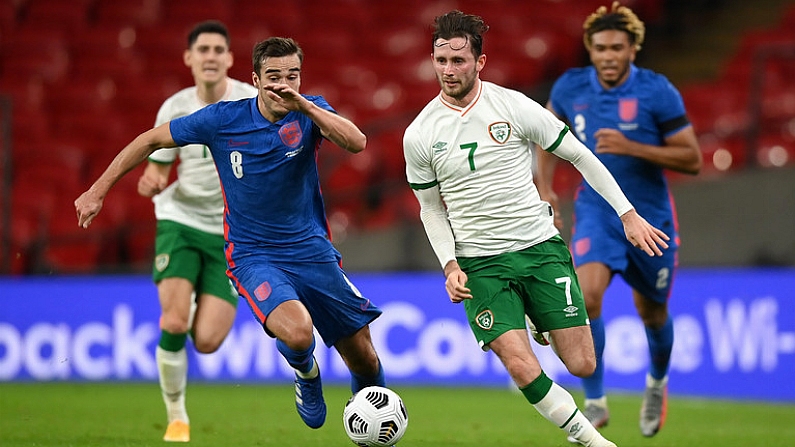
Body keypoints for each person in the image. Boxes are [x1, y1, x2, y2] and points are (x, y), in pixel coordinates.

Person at [76, 36, 386, 434]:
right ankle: (307, 374)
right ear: (255, 79)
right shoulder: (223, 119)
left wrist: (306, 105)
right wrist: (98, 190)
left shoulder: (311, 111)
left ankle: (373, 432)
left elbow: (357, 142)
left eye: (292, 76)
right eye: (273, 76)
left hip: (312, 251)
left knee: (365, 359)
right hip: (254, 255)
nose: (283, 85)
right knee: (297, 331)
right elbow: (149, 139)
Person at [404, 10, 670, 447]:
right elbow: (431, 209)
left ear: (480, 63)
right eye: (441, 61)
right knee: (521, 363)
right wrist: (450, 265)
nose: (449, 71)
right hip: (480, 263)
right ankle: (591, 441)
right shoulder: (419, 134)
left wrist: (627, 213)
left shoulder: (513, 105)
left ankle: (533, 311)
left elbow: (580, 155)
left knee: (583, 364)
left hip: (538, 247)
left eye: (459, 61)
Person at [534, 1, 702, 439]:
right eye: (600, 47)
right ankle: (595, 399)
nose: (608, 56)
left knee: (652, 312)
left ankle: (656, 384)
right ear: (589, 49)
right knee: (587, 297)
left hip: (651, 217)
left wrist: (634, 147)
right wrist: (545, 187)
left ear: (633, 50)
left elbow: (693, 158)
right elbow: (545, 136)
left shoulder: (657, 91)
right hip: (597, 211)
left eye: (617, 48)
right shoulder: (571, 87)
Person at [135, 20, 257, 443]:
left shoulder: (250, 101)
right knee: (171, 319)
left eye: (217, 49)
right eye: (202, 49)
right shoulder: (175, 107)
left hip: (229, 231)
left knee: (206, 342)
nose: (210, 56)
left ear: (229, 58)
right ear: (189, 58)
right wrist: (150, 178)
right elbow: (157, 167)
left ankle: (189, 307)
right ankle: (177, 417)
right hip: (181, 221)